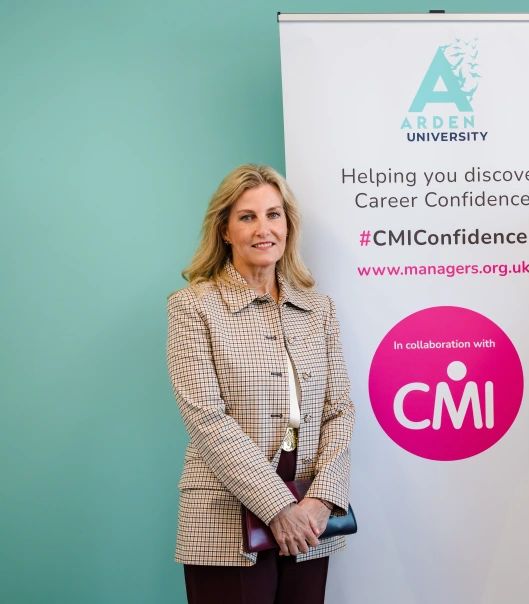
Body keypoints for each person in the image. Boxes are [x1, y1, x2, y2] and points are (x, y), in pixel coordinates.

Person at [167, 164, 354, 604]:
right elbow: (206, 419)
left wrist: (320, 502)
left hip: (311, 520)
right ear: (225, 230)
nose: (263, 228)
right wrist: (279, 507)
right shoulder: (192, 306)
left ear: (288, 225)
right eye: (247, 217)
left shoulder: (318, 308)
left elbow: (339, 410)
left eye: (274, 215)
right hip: (226, 520)